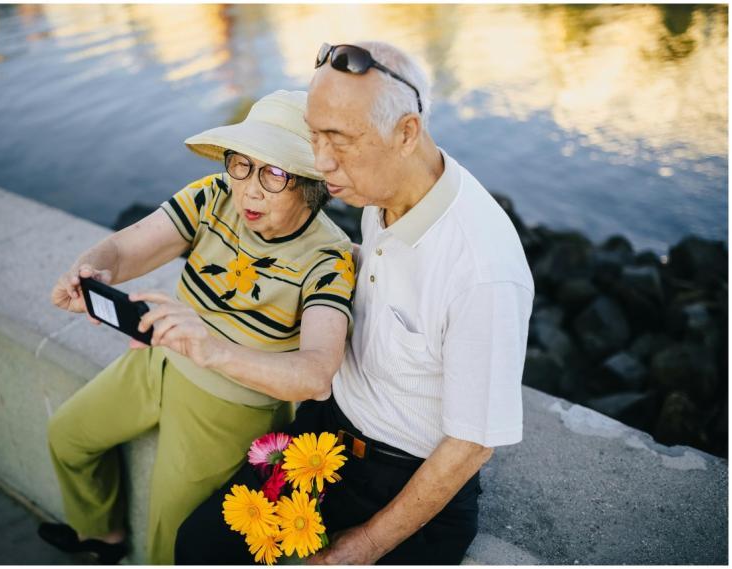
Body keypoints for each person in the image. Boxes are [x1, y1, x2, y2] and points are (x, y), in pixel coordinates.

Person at [175, 41, 534, 565]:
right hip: (324, 435)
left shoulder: (483, 270)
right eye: (314, 135)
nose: (319, 163)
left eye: (338, 140)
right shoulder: (381, 189)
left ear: (406, 132)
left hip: (403, 476)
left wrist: (365, 544)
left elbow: (472, 444)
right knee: (200, 548)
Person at [38, 90, 355, 564]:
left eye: (273, 172)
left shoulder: (330, 257)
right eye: (241, 163)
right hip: (157, 359)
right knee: (67, 436)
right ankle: (99, 535)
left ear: (311, 182)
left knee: (170, 541)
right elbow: (124, 251)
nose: (248, 189)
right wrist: (90, 270)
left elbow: (315, 375)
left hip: (229, 405)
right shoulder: (213, 196)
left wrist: (213, 351)